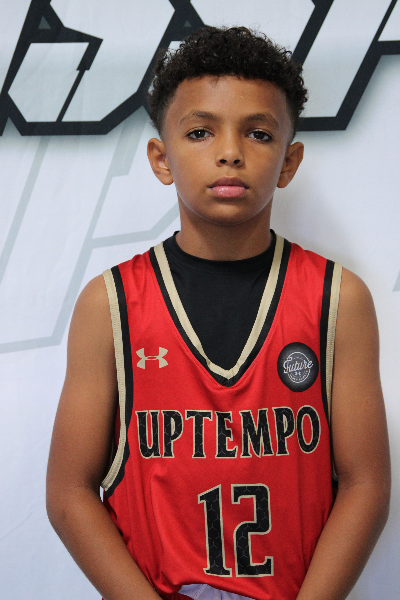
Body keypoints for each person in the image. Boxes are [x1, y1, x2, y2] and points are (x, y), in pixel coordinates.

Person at [46, 27, 390, 600]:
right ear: (161, 158)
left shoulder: (338, 299)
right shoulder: (110, 304)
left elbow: (366, 486)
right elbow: (68, 493)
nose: (230, 152)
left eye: (258, 133)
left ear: (288, 162)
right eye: (201, 131)